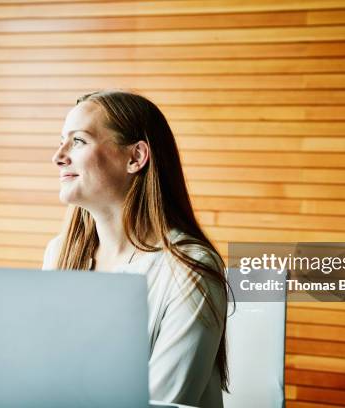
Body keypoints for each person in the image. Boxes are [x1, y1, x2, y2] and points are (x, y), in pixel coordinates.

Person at [41, 90, 230, 407]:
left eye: (78, 141)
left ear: (135, 158)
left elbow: (162, 402)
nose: (58, 156)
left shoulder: (190, 269)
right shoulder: (59, 253)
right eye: (61, 141)